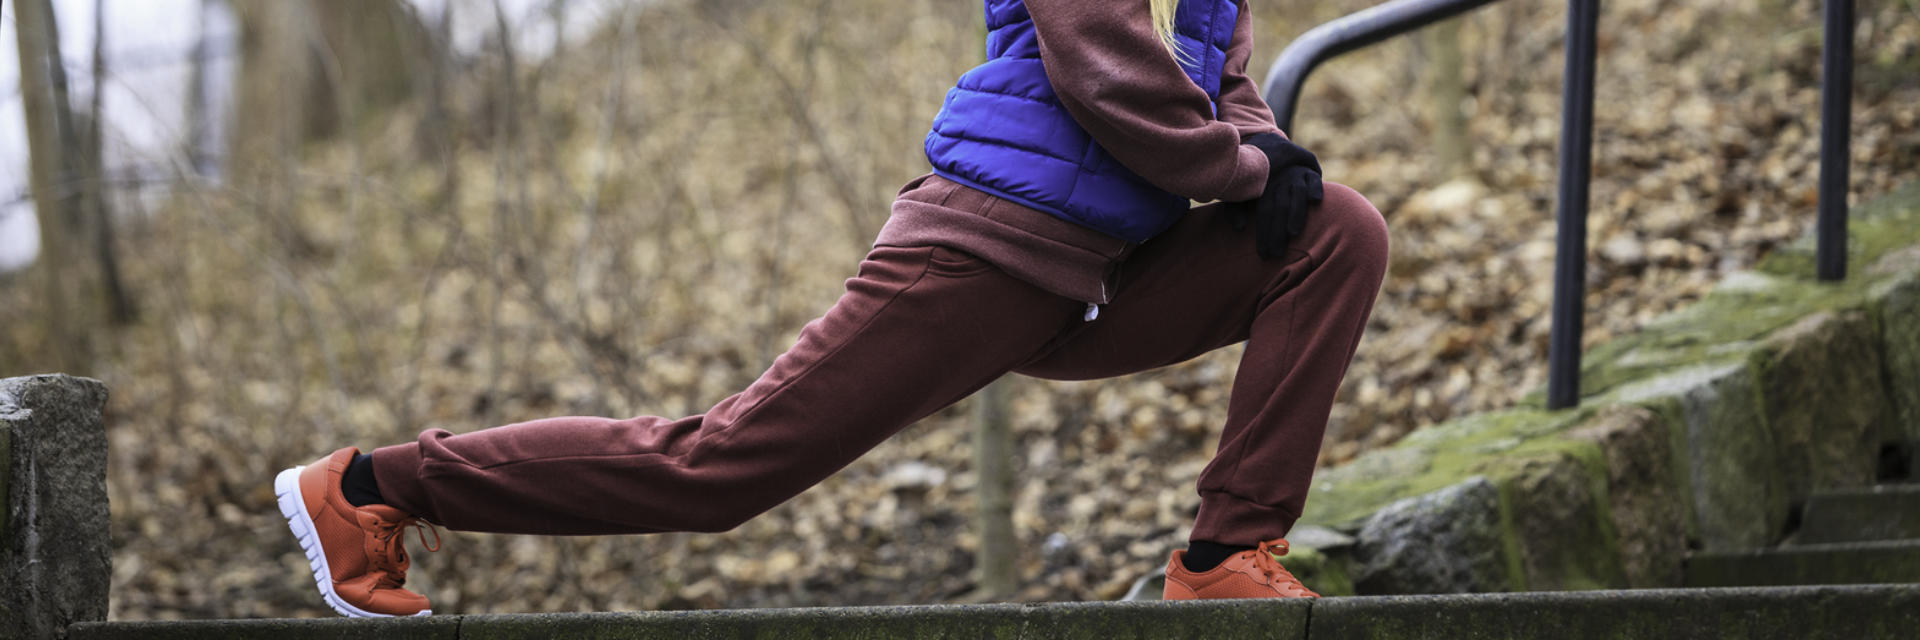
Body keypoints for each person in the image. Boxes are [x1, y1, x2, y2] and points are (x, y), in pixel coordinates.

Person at [273, 0, 1387, 617]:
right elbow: (1099, 63)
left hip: (1110, 273)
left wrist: (1270, 153)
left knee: (1335, 226)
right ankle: (368, 485)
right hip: (986, 248)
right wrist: (1237, 169)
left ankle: (1226, 552)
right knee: (718, 468)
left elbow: (1221, 87)